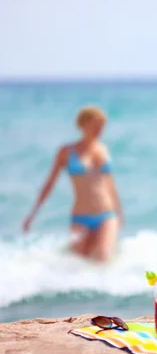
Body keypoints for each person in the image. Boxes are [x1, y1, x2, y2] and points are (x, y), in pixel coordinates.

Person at [22, 105, 124, 263]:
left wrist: (119, 213)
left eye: (102, 125)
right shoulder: (66, 151)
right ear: (83, 124)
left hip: (106, 214)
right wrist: (33, 214)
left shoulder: (103, 149)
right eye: (96, 124)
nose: (100, 129)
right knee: (77, 262)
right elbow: (49, 184)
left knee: (103, 257)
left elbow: (110, 186)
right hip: (80, 216)